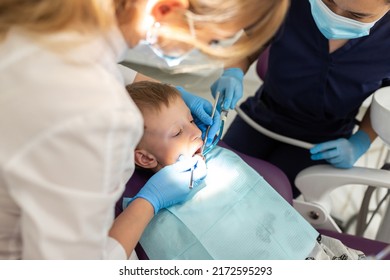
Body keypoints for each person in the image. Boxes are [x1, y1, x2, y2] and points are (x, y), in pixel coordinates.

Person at [0, 0, 290, 259]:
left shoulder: (41, 26)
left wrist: (165, 94)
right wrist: (148, 203)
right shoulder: (94, 116)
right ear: (165, 10)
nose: (195, 132)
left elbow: (86, 66)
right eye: (212, 42)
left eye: (190, 121)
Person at [122, 80, 366, 260]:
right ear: (144, 158)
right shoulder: (153, 216)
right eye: (176, 132)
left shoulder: (218, 158)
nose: (196, 132)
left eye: (191, 120)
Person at [213, 0, 390, 198]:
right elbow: (251, 39)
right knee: (219, 187)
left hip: (323, 144)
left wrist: (361, 142)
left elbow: (387, 99)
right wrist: (232, 71)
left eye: (357, 16)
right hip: (260, 117)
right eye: (328, 2)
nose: (335, 16)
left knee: (266, 201)